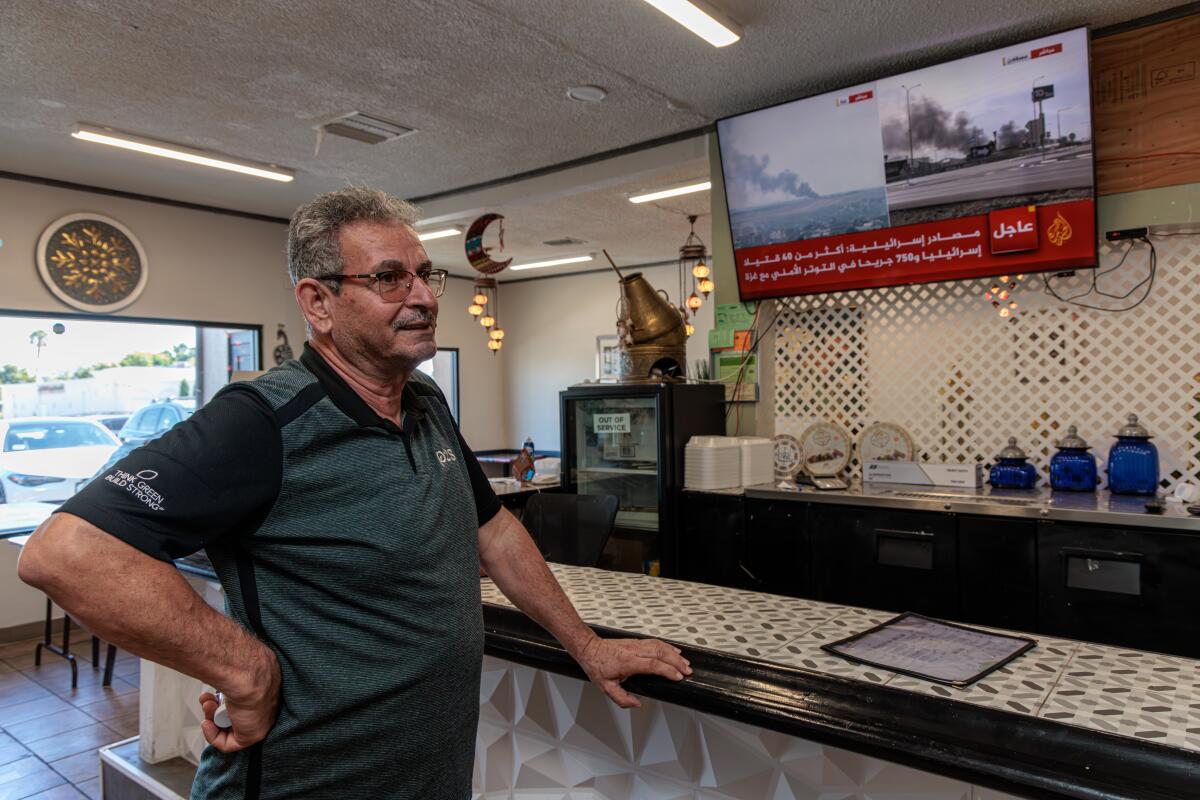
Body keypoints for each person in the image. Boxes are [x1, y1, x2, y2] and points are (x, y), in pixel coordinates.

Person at [18, 187, 692, 799]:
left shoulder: (425, 399)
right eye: (388, 279)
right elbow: (66, 553)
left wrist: (585, 643)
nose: (423, 296)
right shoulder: (261, 420)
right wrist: (242, 668)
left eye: (425, 274)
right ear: (318, 304)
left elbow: (495, 533)